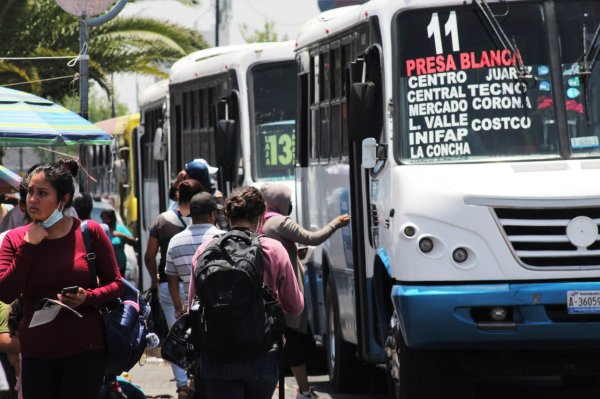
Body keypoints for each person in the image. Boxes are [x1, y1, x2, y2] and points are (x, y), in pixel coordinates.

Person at [0, 159, 124, 399]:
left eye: (42, 193)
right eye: (30, 193)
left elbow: (117, 284)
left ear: (63, 199)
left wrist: (87, 297)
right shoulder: (14, 240)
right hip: (36, 352)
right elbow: (6, 292)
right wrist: (28, 247)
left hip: (85, 350)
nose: (32, 199)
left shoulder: (90, 232)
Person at [187, 186, 304, 399]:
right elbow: (295, 307)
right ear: (261, 217)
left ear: (227, 216)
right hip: (262, 353)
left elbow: (192, 307)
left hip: (217, 354)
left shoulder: (205, 250)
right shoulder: (273, 250)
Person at [260, 182, 350, 399]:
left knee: (278, 342)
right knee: (293, 341)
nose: (290, 204)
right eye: (287, 200)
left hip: (268, 290)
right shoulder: (280, 222)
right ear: (280, 201)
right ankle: (304, 391)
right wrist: (336, 223)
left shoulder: (262, 221)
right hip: (285, 291)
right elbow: (312, 238)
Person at [144, 178, 203, 399]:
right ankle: (198, 378)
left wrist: (155, 278)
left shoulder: (162, 221)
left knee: (175, 335)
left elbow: (149, 256)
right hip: (200, 286)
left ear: (177, 196)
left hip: (171, 286)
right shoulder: (204, 220)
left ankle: (182, 386)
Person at [165, 192, 225, 319]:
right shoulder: (223, 238)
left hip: (193, 311)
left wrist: (178, 307)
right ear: (213, 214)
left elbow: (172, 280)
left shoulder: (175, 241)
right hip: (221, 309)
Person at [100, 209, 137, 277]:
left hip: (120, 266)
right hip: (105, 267)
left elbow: (133, 242)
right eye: (103, 219)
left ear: (112, 219)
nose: (104, 221)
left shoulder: (120, 228)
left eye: (106, 219)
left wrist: (121, 235)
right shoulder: (101, 229)